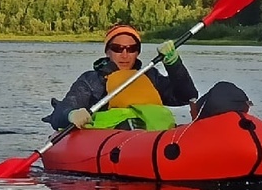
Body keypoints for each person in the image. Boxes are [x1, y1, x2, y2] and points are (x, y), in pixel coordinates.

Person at [44, 23, 199, 131]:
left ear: (137, 52)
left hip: (150, 139)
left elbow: (186, 96)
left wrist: (174, 65)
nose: (125, 55)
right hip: (111, 142)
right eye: (117, 48)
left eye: (131, 49)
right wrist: (71, 114)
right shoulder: (92, 81)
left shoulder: (150, 77)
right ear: (107, 51)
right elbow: (62, 111)